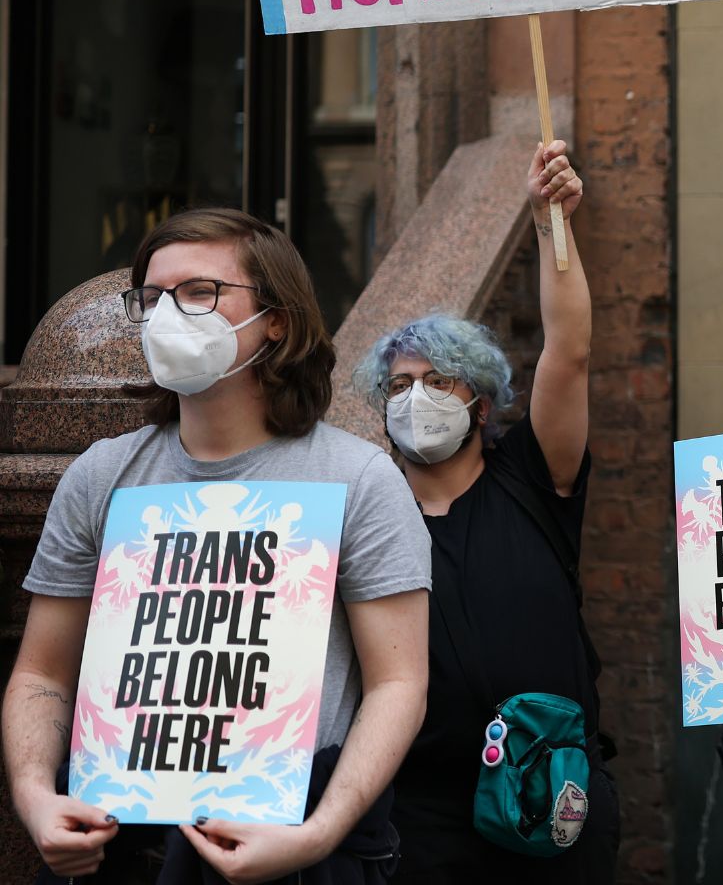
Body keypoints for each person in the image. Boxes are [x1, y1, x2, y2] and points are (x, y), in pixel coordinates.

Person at [5, 208, 431, 884]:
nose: (169, 315)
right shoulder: (99, 477)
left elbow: (399, 684)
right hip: (121, 844)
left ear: (276, 320)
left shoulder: (358, 479)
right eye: (150, 299)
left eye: (200, 293)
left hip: (294, 846)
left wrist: (319, 835)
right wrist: (34, 799)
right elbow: (41, 674)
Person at [355, 140, 617, 883]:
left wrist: (549, 223)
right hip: (417, 810)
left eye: (439, 381)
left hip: (553, 789)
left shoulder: (533, 478)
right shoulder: (368, 510)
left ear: (479, 399)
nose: (417, 398)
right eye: (401, 385)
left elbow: (569, 349)